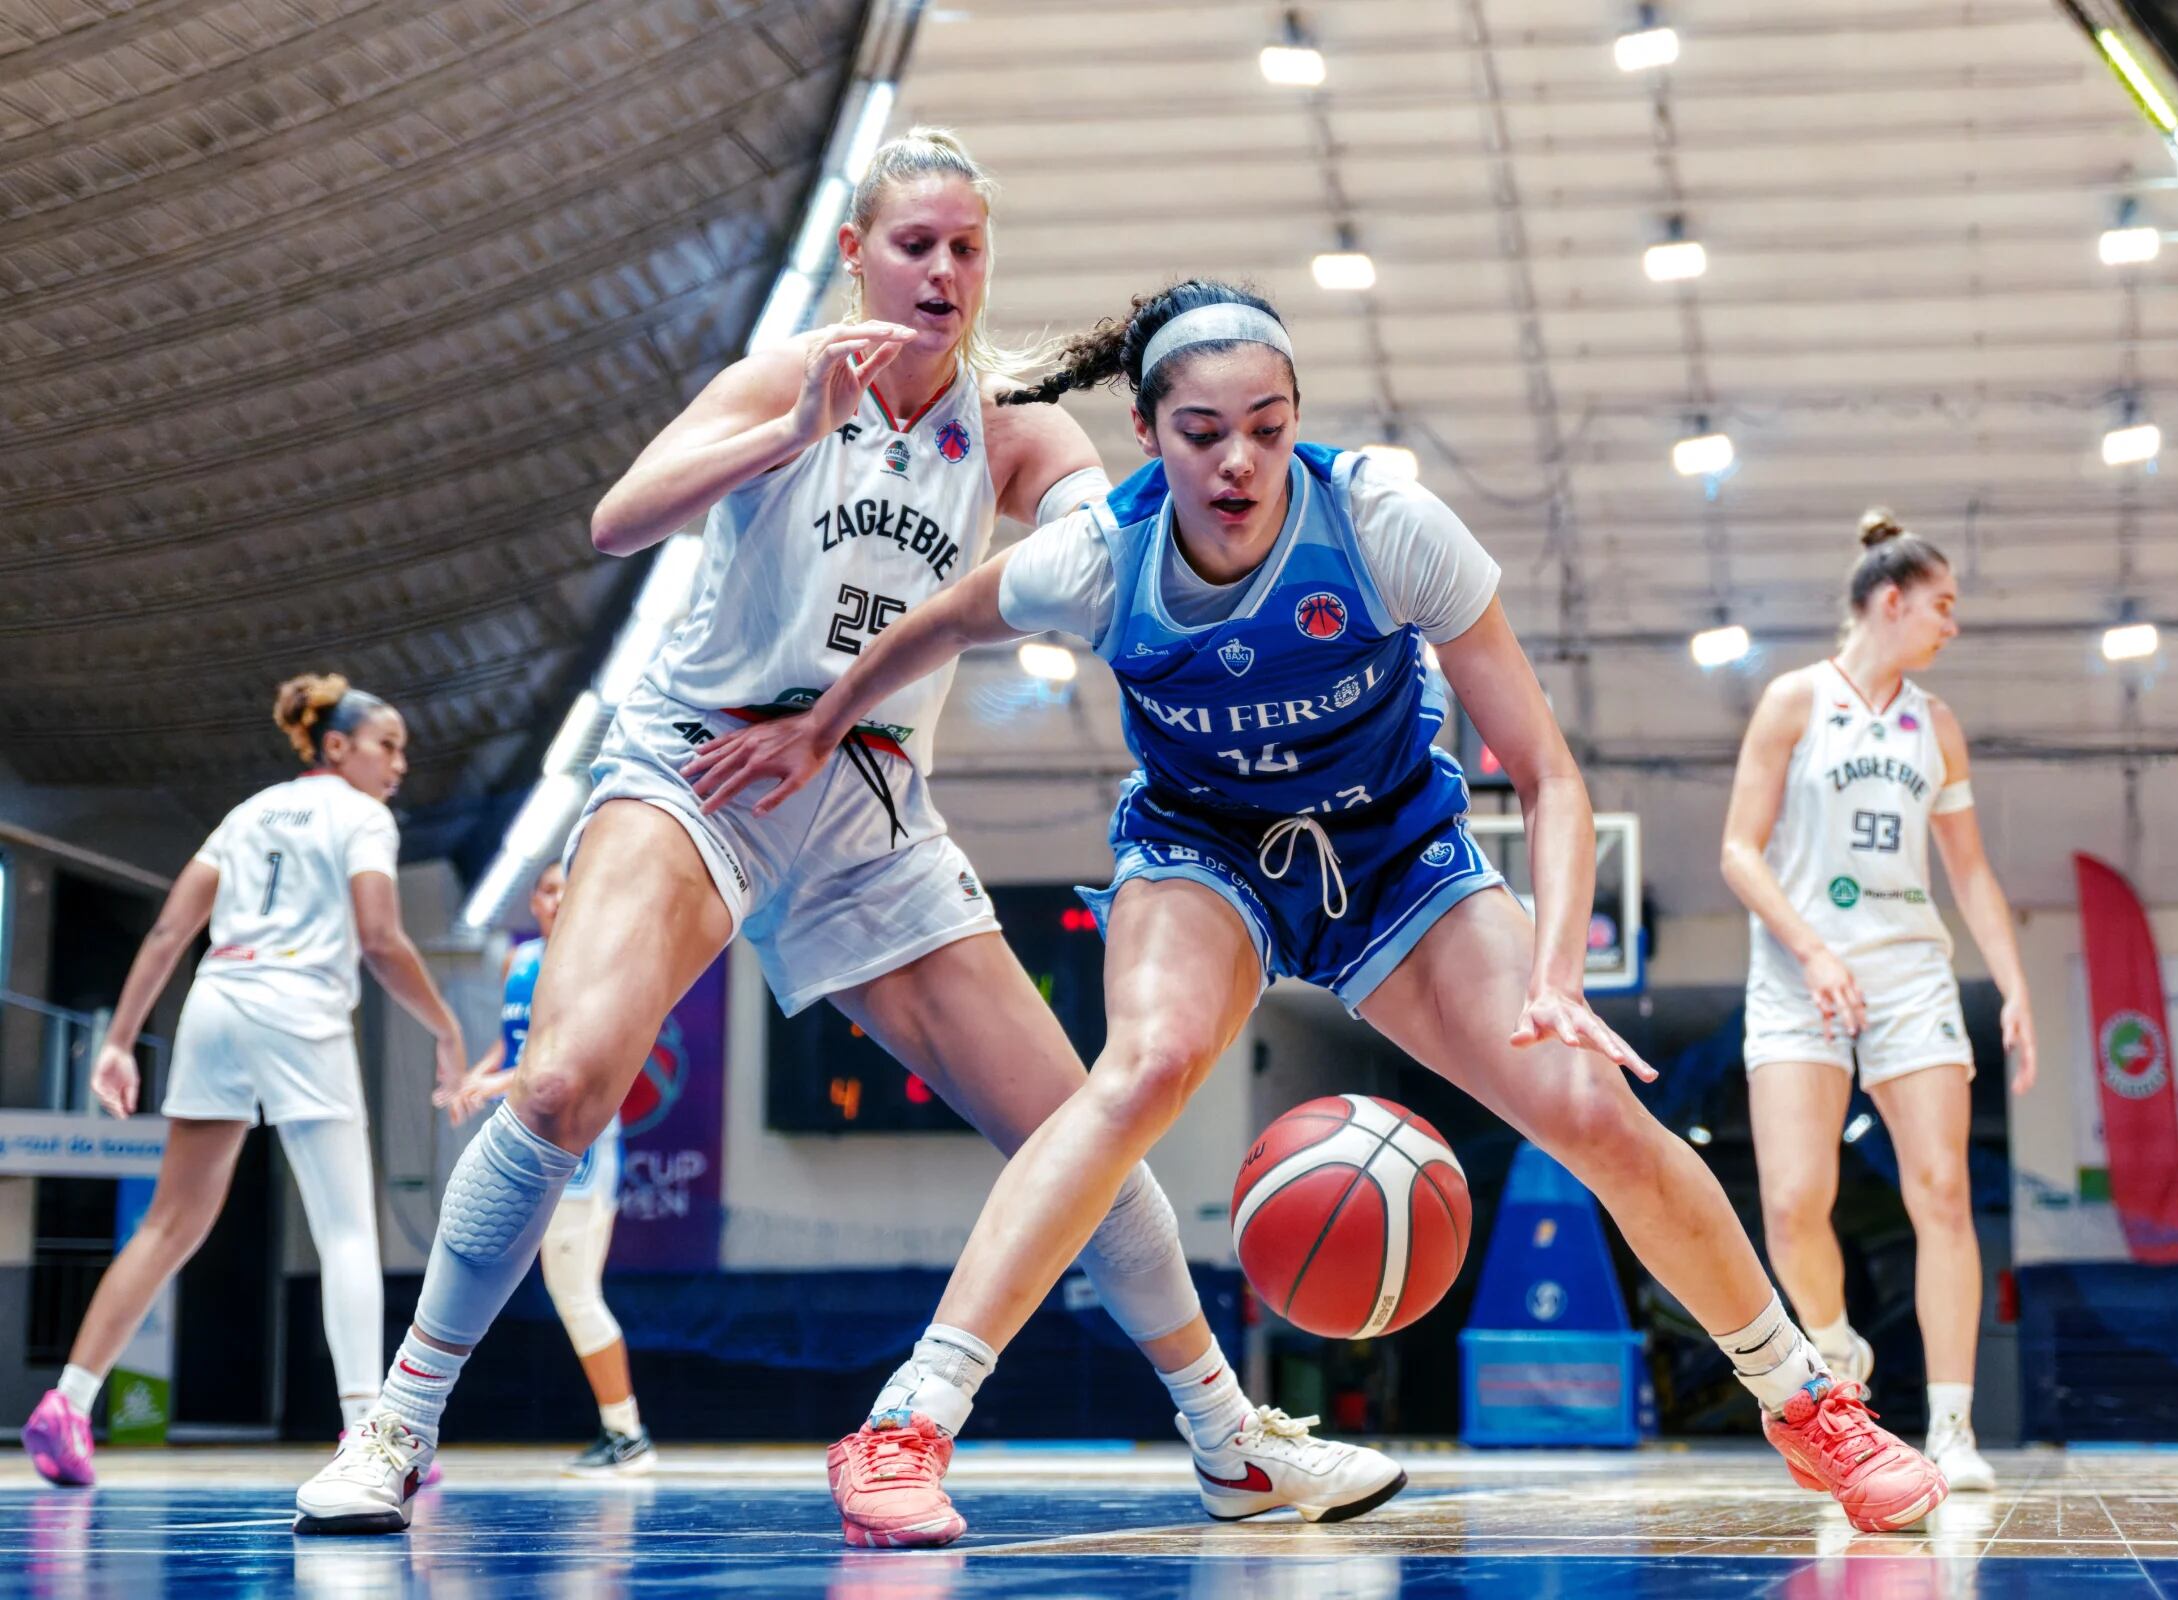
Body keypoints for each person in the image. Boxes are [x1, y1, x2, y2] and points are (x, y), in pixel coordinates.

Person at [682, 279, 1953, 1546]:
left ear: (1298, 421)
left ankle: (1807, 1401)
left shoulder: (1387, 522)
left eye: (1269, 426)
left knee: (1586, 1107)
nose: (1239, 460)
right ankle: (906, 1423)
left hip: (1394, 854)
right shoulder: (1097, 554)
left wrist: (1559, 972)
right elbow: (945, 620)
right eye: (1202, 432)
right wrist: (821, 722)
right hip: (1204, 847)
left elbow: (1549, 773)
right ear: (1147, 431)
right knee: (1142, 1070)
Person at [297, 132, 1394, 1537]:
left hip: (868, 801)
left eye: (966, 249)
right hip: (708, 765)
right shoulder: (786, 375)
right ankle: (396, 1426)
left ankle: (1229, 1440)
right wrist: (789, 434)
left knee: (1081, 1130)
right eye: (916, 245)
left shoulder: (1010, 428)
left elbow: (1100, 542)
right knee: (565, 1084)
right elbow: (616, 521)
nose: (943, 271)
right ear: (858, 254)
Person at [19, 675, 465, 1488]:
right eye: (387, 745)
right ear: (338, 746)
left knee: (168, 1224)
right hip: (298, 1010)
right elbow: (381, 937)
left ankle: (67, 1404)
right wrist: (447, 1025)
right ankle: (370, 1428)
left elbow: (168, 929)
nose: (399, 763)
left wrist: (119, 1041)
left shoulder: (247, 812)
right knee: (346, 1229)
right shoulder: (362, 817)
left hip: (216, 1004)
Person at [1720, 507, 2038, 1492]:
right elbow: (1737, 850)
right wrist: (1812, 948)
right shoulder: (1793, 702)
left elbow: (1972, 874)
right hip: (1796, 963)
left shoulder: (1935, 726)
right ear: (1890, 601)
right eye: (1942, 605)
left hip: (1905, 967)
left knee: (1941, 1190)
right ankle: (1834, 1360)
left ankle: (1950, 1428)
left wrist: (2014, 982)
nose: (1953, 623)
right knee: (1790, 1198)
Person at [445, 861, 654, 1476]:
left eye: (568, 887)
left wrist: (494, 1084)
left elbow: (565, 1057)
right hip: (528, 1139)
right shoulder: (520, 960)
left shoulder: (595, 963)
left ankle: (628, 1435)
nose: (558, 898)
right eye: (547, 888)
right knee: (534, 1283)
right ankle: (621, 1432)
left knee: (577, 1294)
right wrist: (481, 1074)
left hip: (582, 1146)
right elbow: (516, 1046)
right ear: (534, 901)